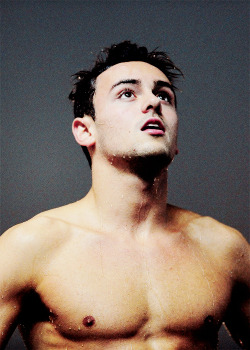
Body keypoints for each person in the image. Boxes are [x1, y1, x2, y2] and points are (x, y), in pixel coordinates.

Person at [0, 41, 249, 350]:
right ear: (85, 130)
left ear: (175, 142)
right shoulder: (30, 247)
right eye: (127, 93)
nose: (153, 103)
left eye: (164, 96)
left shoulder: (224, 248)